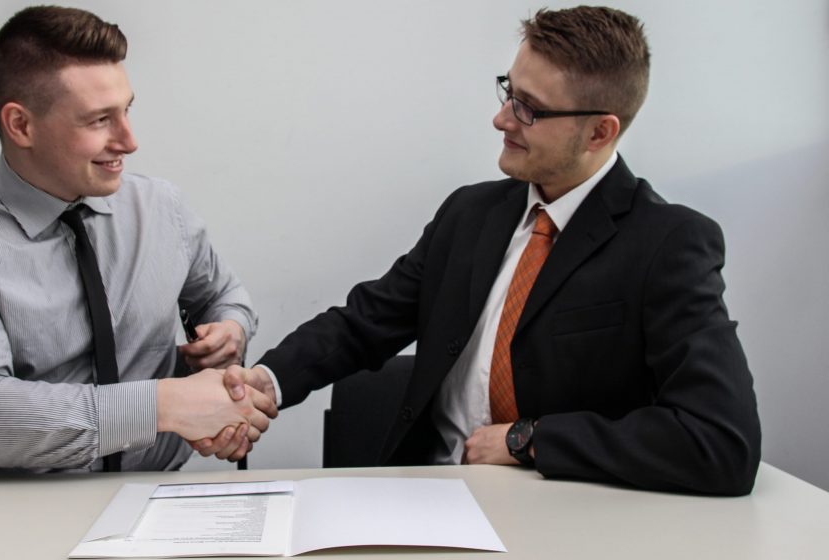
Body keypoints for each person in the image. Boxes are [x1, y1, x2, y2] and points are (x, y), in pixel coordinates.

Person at [205, 6, 761, 495]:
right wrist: (266, 381)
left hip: (565, 516)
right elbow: (364, 323)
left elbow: (721, 442)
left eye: (528, 109)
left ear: (599, 132)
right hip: (426, 497)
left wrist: (529, 441)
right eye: (508, 92)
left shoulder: (668, 244)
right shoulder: (470, 215)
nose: (502, 119)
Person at [0, 5, 272, 474]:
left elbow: (223, 297)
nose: (129, 141)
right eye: (99, 120)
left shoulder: (163, 209)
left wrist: (228, 331)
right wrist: (162, 404)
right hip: (14, 517)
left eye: (127, 110)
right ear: (21, 125)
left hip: (158, 497)